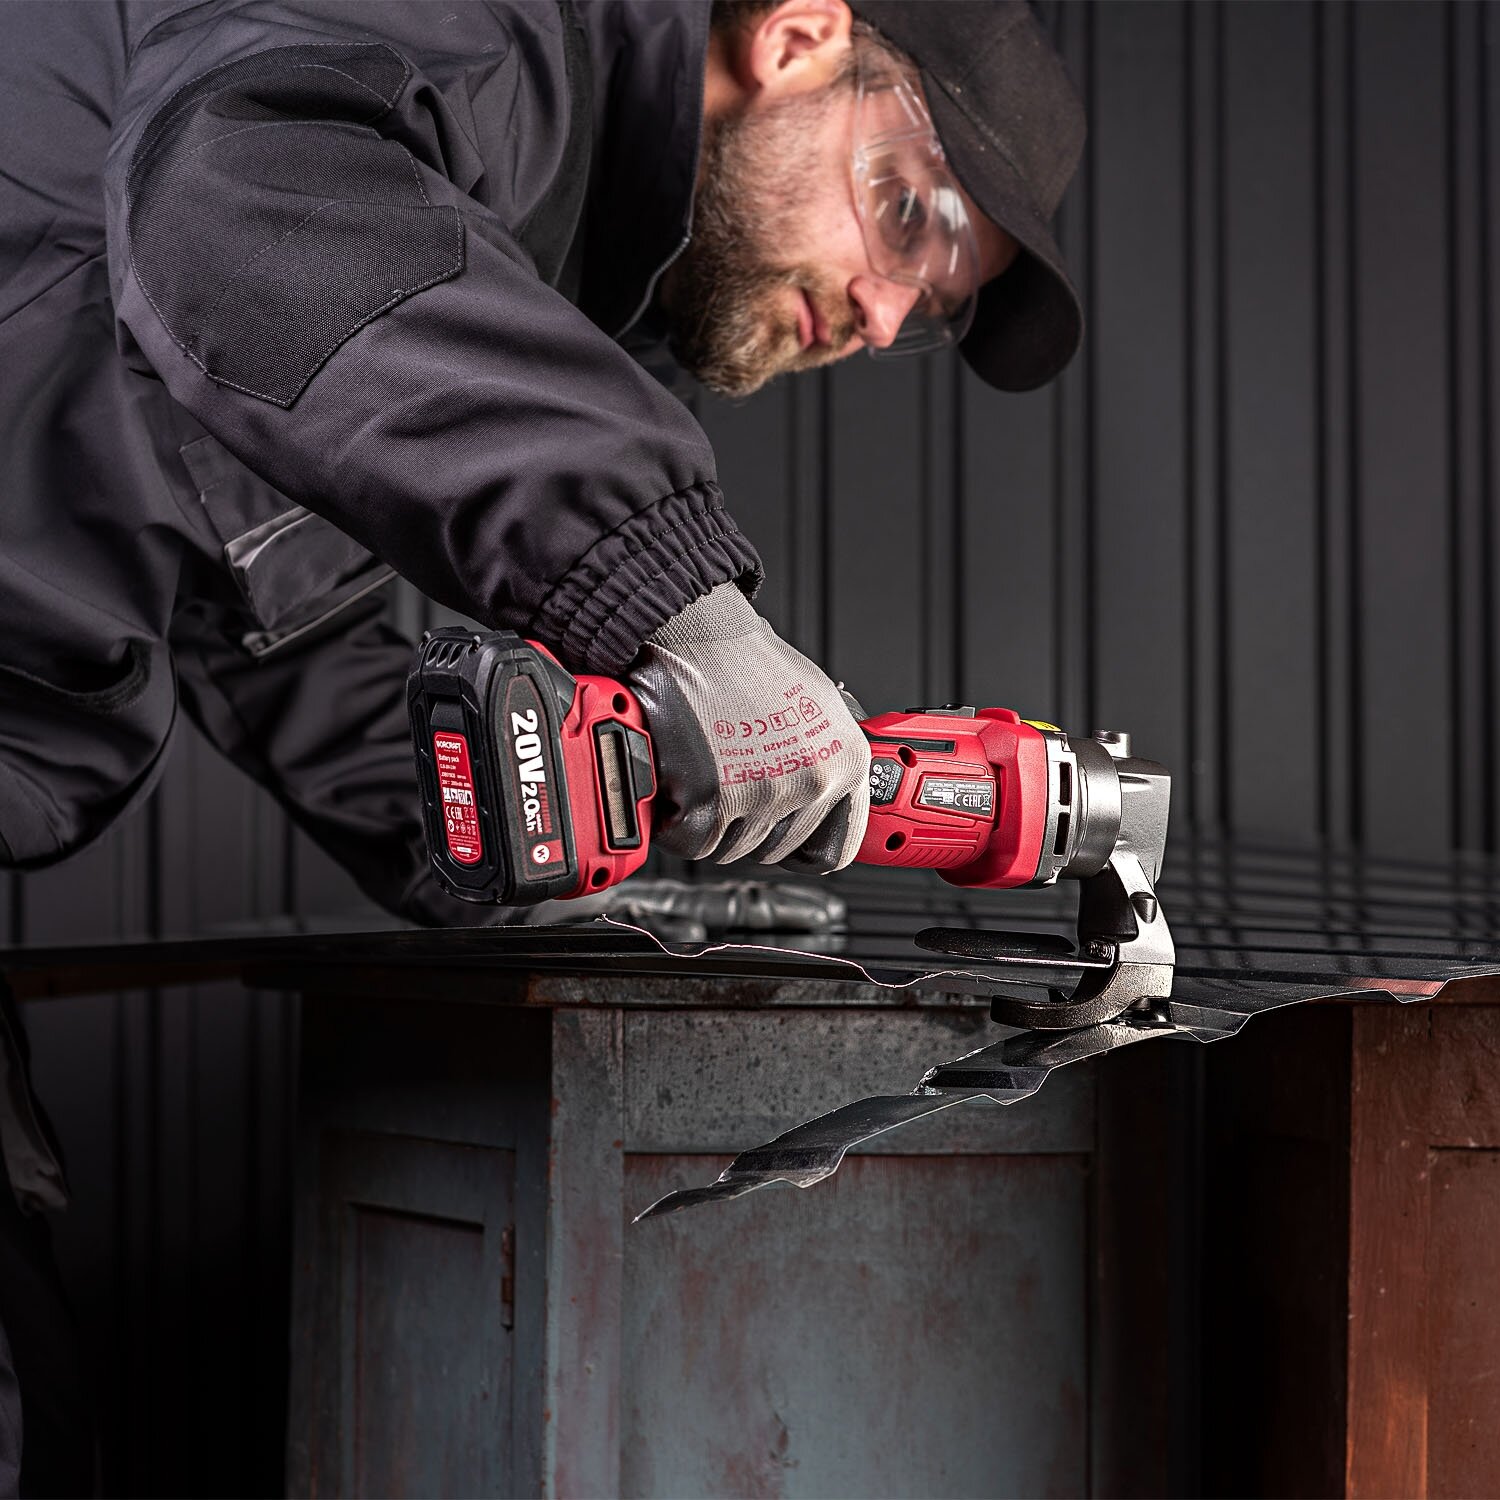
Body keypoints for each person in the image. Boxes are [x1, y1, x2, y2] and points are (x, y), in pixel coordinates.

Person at [0, 0, 1084, 1488]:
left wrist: (556, 852)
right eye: (909, 214)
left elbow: (263, 612)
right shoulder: (500, 31)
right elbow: (236, 195)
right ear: (798, 36)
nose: (887, 315)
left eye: (938, 304)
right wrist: (671, 592)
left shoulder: (497, 216)